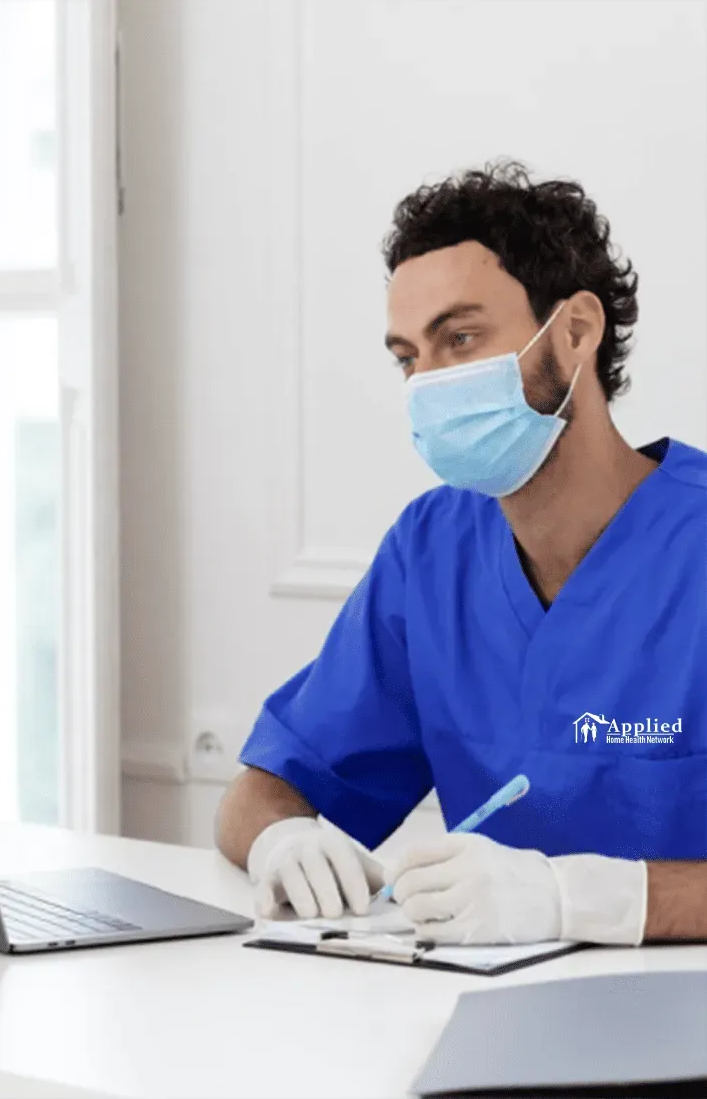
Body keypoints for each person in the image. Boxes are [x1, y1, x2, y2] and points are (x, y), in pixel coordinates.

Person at [216, 162, 707, 947]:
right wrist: (285, 841)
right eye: (409, 356)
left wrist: (582, 899)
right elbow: (262, 791)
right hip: (485, 1022)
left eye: (461, 338)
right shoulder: (432, 552)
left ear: (576, 331)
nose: (429, 384)